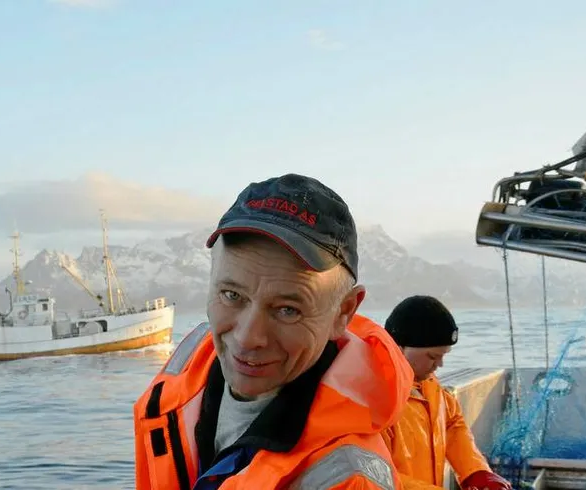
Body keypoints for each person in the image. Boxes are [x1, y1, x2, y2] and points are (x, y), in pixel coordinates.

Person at [132, 173, 414, 490]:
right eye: (231, 295)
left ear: (343, 312)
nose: (248, 338)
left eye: (287, 310)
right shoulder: (179, 387)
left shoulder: (346, 478)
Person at [380, 295, 512, 490]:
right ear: (399, 347)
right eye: (432, 356)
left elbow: (451, 424)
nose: (439, 365)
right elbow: (374, 476)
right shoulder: (375, 399)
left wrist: (476, 472)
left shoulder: (428, 385)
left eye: (443, 356)